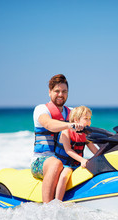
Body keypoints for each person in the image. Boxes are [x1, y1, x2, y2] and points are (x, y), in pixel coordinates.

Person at [31, 74, 85, 203]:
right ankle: (48, 209)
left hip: (67, 162)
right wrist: (70, 125)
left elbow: (87, 127)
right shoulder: (41, 109)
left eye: (64, 91)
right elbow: (49, 124)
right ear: (50, 92)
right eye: (57, 91)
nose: (61, 94)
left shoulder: (72, 112)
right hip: (41, 161)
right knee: (56, 163)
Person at [54, 106, 98, 201]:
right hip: (65, 165)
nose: (89, 121)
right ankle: (57, 202)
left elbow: (94, 150)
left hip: (77, 164)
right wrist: (82, 160)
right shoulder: (66, 131)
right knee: (65, 176)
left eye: (89, 119)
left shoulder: (85, 134)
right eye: (86, 118)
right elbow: (68, 150)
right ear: (76, 120)